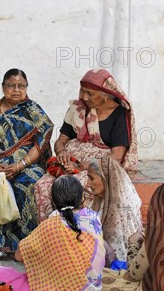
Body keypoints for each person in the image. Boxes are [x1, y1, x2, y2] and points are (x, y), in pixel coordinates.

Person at [0, 176, 105, 291]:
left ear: (53, 201)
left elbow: (18, 256)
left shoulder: (51, 225)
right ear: (82, 197)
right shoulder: (94, 219)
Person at [0, 69, 54, 257]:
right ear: (3, 87)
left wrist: (20, 165)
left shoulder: (33, 111)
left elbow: (42, 140)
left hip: (25, 165)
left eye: (21, 86)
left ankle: (26, 244)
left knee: (32, 184)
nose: (16, 90)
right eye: (11, 85)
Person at [34, 68, 137, 222]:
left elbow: (116, 156)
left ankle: (81, 234)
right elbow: (61, 140)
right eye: (82, 91)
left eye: (90, 93)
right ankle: (51, 232)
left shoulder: (119, 113)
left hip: (97, 167)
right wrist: (62, 153)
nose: (84, 97)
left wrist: (84, 166)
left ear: (105, 95)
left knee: (78, 187)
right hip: (69, 163)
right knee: (43, 185)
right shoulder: (77, 108)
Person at [86, 157, 143, 268]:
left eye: (91, 179)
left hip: (121, 265)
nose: (88, 184)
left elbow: (122, 248)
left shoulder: (121, 207)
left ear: (105, 178)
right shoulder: (100, 200)